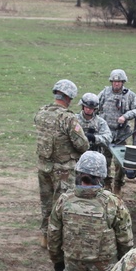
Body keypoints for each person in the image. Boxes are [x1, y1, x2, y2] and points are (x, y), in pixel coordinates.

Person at [35, 79, 89, 247]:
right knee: (63, 205)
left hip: (43, 167)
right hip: (63, 171)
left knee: (46, 204)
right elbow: (82, 144)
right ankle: (58, 241)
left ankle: (45, 237)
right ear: (68, 97)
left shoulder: (41, 113)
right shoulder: (68, 118)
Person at [98, 69, 136, 194]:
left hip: (121, 134)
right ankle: (106, 183)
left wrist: (126, 116)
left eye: (119, 82)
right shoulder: (104, 93)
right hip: (106, 133)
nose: (116, 84)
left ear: (123, 82)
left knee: (120, 163)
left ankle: (118, 185)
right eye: (114, 81)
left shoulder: (129, 95)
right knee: (104, 160)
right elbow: (95, 107)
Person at [77, 93, 114, 189]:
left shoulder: (100, 122)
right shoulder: (75, 120)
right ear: (82, 106)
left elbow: (108, 138)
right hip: (78, 156)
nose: (88, 110)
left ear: (95, 109)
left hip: (95, 159)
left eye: (91, 108)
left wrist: (94, 138)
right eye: (86, 107)